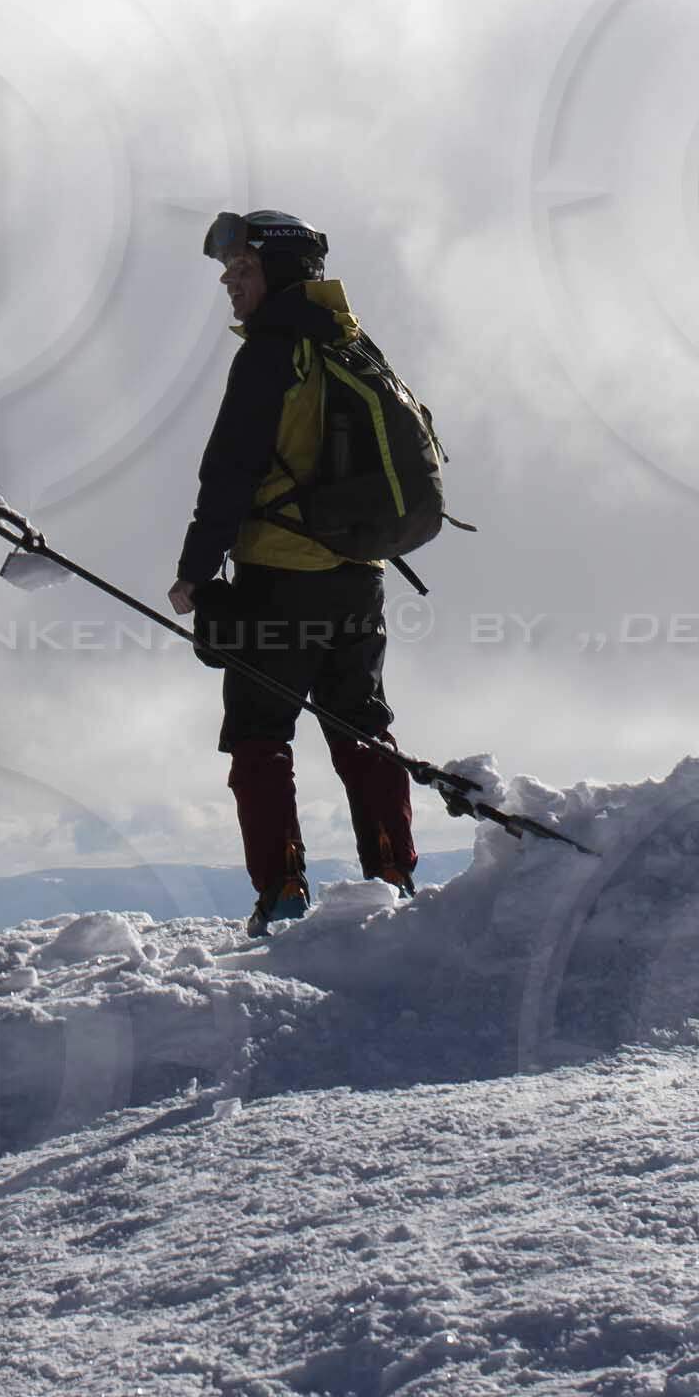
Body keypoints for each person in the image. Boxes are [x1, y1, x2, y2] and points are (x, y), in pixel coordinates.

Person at [168, 209, 422, 937]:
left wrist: (194, 569)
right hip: (360, 577)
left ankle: (281, 895)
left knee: (258, 734)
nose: (228, 284)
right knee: (362, 726)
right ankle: (394, 877)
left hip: (279, 579)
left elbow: (229, 471)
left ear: (274, 271)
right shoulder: (351, 342)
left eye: (240, 270)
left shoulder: (271, 352)